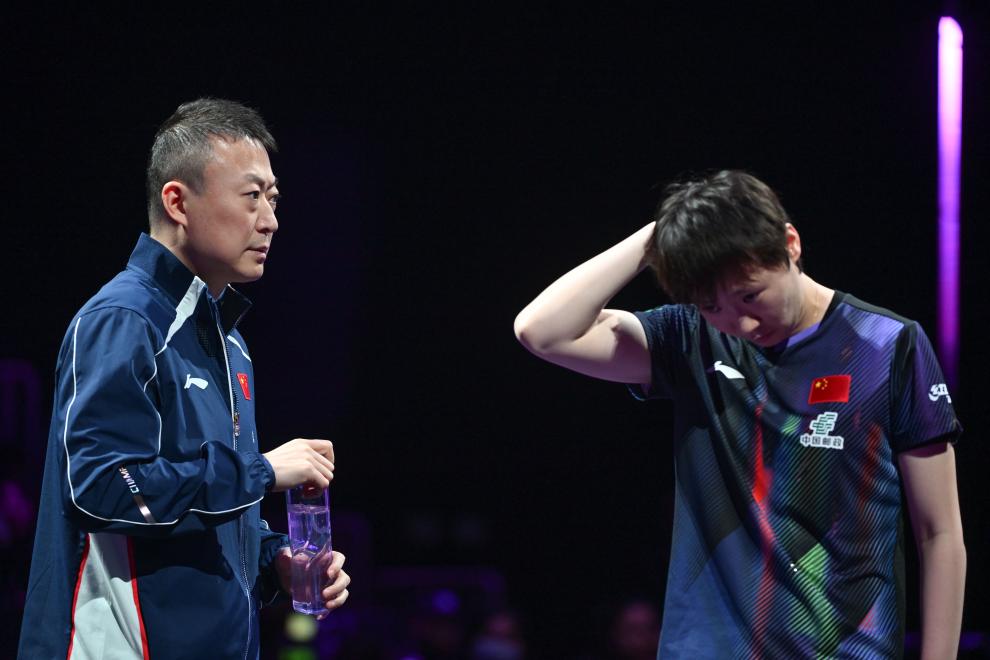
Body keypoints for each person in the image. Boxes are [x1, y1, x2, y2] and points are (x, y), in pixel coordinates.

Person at [514, 171, 965, 659]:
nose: (743, 323)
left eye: (751, 295)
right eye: (713, 306)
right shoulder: (689, 339)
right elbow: (542, 331)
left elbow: (939, 533)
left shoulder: (888, 345)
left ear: (790, 244)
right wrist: (661, 234)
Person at [18, 98, 351, 659]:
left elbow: (208, 512)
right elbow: (102, 489)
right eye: (251, 196)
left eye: (273, 199)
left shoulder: (229, 343)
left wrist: (274, 561)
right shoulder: (123, 320)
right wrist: (262, 471)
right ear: (178, 202)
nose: (270, 220)